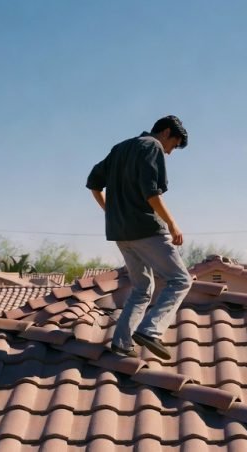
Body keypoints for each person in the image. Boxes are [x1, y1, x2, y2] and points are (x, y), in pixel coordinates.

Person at [86, 115, 193, 359]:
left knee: (142, 288)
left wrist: (110, 212)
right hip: (146, 229)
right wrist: (172, 224)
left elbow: (94, 183)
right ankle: (150, 331)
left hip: (120, 233)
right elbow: (151, 193)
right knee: (180, 280)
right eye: (173, 145)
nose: (170, 152)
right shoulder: (152, 146)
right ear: (166, 133)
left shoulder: (120, 148)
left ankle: (121, 343)